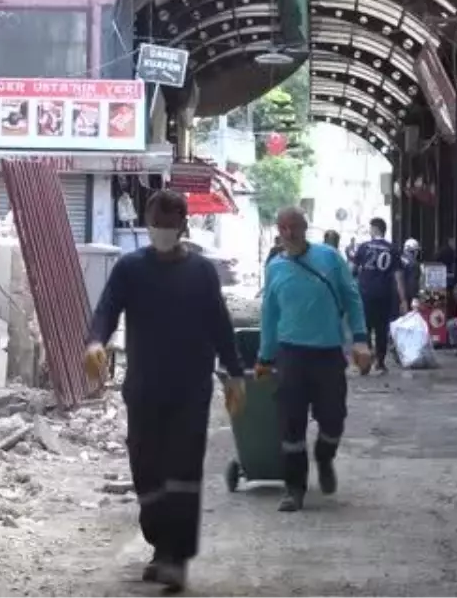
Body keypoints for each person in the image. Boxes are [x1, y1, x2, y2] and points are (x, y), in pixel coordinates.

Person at [83, 189, 247, 594]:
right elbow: (106, 309)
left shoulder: (202, 274)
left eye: (168, 227)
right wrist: (94, 342)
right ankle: (161, 545)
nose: (160, 233)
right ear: (146, 224)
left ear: (183, 227)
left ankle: (176, 557)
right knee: (147, 471)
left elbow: (220, 326)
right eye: (155, 226)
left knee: (184, 472)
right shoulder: (129, 269)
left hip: (190, 389)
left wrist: (235, 372)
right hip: (143, 388)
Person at [258, 206, 371, 513]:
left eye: (294, 227)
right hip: (290, 354)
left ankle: (324, 456)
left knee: (334, 418)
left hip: (328, 353)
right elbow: (269, 314)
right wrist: (264, 356)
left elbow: (352, 297)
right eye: (283, 228)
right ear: (278, 232)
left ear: (305, 227)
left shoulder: (330, 258)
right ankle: (294, 489)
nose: (289, 233)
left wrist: (360, 339)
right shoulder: (275, 267)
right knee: (290, 425)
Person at [351, 218, 409, 374]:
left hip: (365, 293)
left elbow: (352, 270)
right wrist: (403, 299)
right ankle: (380, 362)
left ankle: (366, 360)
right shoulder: (393, 249)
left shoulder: (363, 247)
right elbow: (398, 277)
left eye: (370, 228)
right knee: (382, 328)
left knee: (366, 328)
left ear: (375, 229)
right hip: (384, 294)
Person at [401, 238, 422, 308]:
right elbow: (413, 281)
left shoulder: (398, 259)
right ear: (414, 251)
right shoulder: (414, 263)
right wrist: (415, 296)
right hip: (408, 296)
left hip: (396, 295)